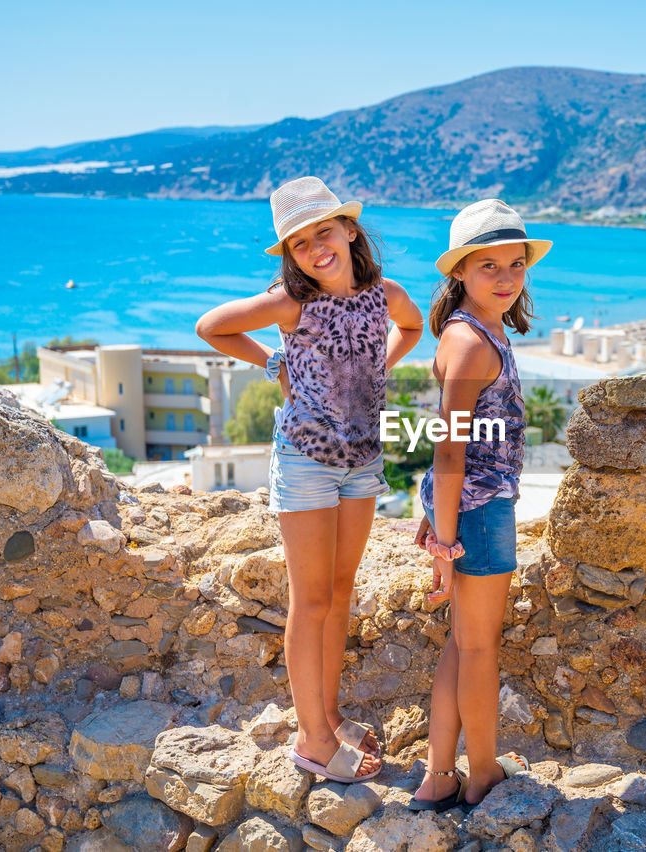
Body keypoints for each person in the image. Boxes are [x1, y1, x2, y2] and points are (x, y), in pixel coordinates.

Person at [196, 177, 423, 782]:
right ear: (290, 256)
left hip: (363, 460)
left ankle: (328, 712)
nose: (315, 248)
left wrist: (376, 363)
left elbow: (414, 325)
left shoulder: (385, 295)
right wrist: (275, 361)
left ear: (350, 230)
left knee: (342, 590)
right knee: (312, 598)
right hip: (304, 460)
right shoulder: (290, 304)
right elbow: (210, 326)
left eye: (324, 231)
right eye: (299, 243)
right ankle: (313, 740)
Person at [408, 199, 549, 812]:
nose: (506, 276)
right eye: (488, 264)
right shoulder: (471, 343)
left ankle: (439, 777)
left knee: (460, 646)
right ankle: (485, 772)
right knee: (480, 647)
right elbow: (447, 449)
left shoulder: (466, 332)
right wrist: (442, 540)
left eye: (516, 264)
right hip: (480, 511)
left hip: (462, 505)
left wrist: (437, 517)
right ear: (459, 272)